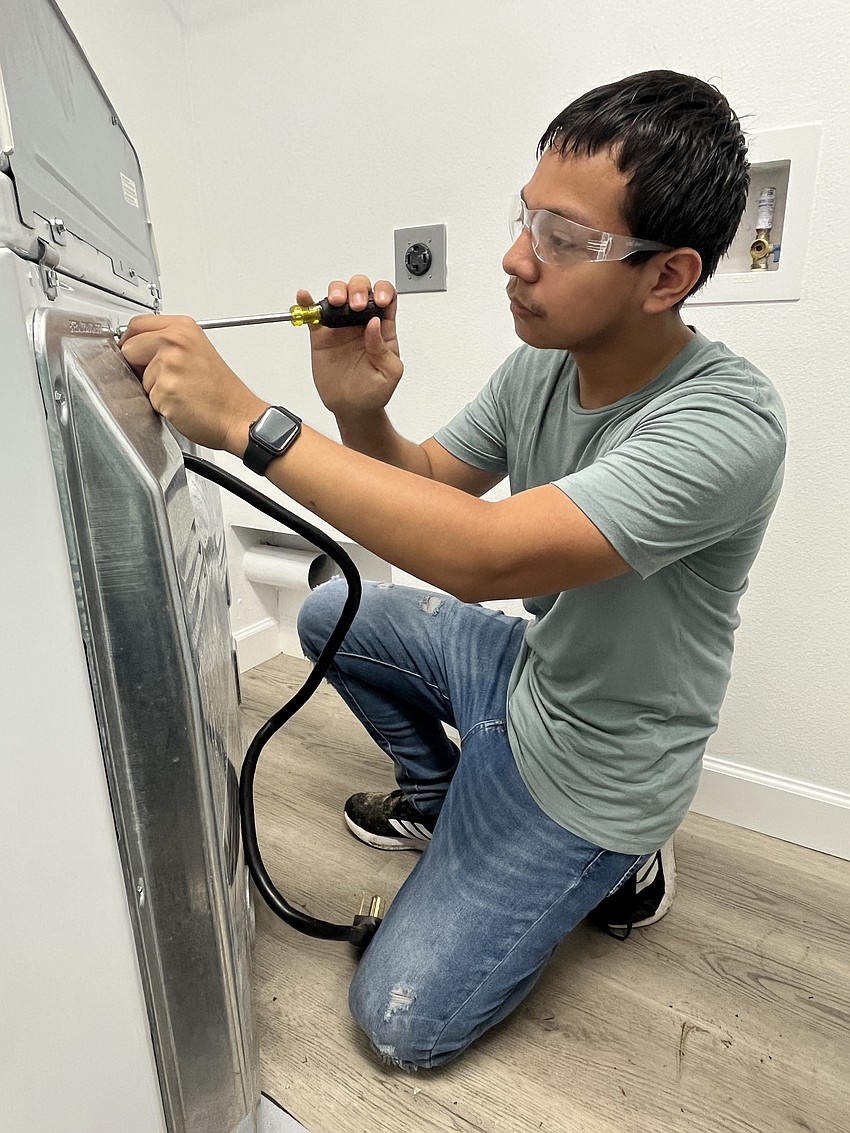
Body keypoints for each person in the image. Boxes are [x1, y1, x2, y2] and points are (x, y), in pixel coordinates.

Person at [121, 69, 787, 1070]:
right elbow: (432, 488)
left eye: (565, 241)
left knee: (400, 1021)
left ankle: (620, 867)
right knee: (329, 614)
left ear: (666, 276)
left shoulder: (725, 424)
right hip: (528, 672)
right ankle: (440, 789)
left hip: (599, 772)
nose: (515, 259)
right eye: (527, 219)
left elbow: (483, 557)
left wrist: (251, 426)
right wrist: (357, 408)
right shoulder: (541, 365)